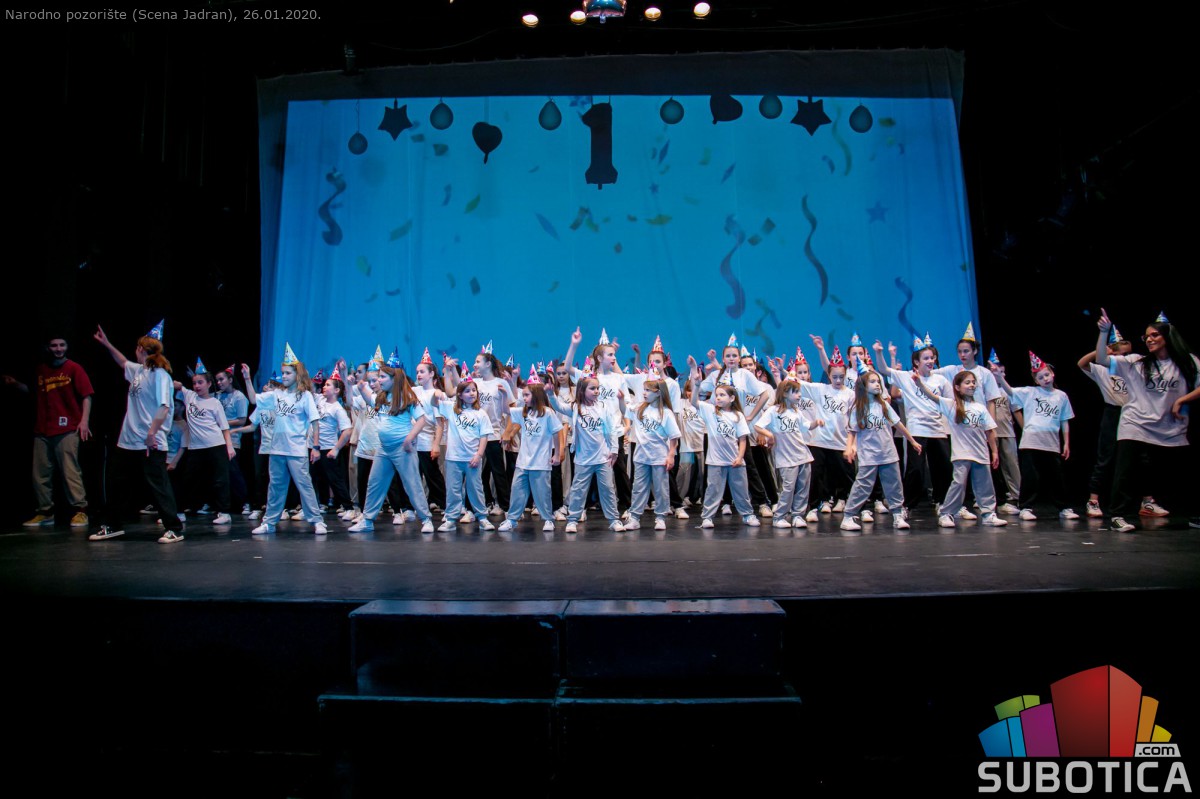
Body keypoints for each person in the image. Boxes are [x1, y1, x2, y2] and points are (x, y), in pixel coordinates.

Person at [1094, 310, 1200, 533]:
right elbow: (1102, 359)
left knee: (1185, 473)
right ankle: (1118, 516)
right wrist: (1104, 332)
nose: (1149, 339)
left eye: (1154, 335)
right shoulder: (1136, 362)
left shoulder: (1188, 362)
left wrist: (1182, 400)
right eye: (1146, 336)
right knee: (1126, 472)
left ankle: (1195, 515)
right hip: (1136, 424)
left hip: (1171, 427)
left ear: (1167, 337)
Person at [90, 320, 184, 543]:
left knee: (158, 485)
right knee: (117, 484)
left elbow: (164, 406)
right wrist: (107, 344)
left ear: (141, 349)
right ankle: (112, 525)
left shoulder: (160, 375)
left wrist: (151, 433)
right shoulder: (139, 371)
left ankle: (174, 528)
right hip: (128, 440)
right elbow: (123, 362)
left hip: (150, 440)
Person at [1076, 328, 1169, 519]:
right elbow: (1081, 363)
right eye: (1122, 354)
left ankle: (1147, 502)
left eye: (1129, 354)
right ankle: (1093, 501)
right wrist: (1102, 351)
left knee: (1142, 458)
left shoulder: (1136, 367)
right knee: (1106, 457)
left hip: (1136, 413)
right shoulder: (1104, 370)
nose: (1127, 357)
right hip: (1114, 413)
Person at [5, 335, 94, 529]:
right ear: (48, 347)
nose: (58, 348)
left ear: (67, 346)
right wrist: (15, 384)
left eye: (62, 345)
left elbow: (87, 395)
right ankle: (45, 512)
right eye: (54, 345)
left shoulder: (74, 368)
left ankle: (80, 510)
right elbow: (33, 392)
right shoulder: (41, 370)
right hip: (43, 429)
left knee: (70, 471)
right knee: (40, 474)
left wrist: (84, 421)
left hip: (67, 428)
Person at [348, 352, 435, 534]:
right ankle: (368, 520)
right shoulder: (382, 397)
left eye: (382, 377)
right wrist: (362, 387)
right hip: (383, 449)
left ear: (393, 379)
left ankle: (426, 519)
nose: (379, 380)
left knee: (412, 484)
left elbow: (421, 420)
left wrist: (409, 438)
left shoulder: (406, 397)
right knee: (375, 483)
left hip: (402, 448)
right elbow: (369, 400)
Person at [912, 370, 1008, 529]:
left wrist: (994, 451)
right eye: (967, 382)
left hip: (981, 453)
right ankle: (946, 513)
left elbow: (990, 431)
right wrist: (919, 384)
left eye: (973, 382)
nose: (972, 385)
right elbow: (932, 397)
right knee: (958, 485)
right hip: (962, 453)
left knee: (985, 485)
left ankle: (988, 514)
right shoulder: (952, 405)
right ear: (957, 387)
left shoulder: (980, 407)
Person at [250, 343, 327, 536]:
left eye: (287, 373)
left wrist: (316, 447)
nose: (284, 376)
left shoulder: (305, 396)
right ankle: (269, 522)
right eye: (283, 373)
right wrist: (246, 378)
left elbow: (315, 422)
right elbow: (253, 399)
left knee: (304, 485)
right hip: (277, 448)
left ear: (296, 375)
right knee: (275, 486)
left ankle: (317, 520)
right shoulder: (276, 394)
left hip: (296, 448)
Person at [992, 351, 1078, 521]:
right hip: (1031, 441)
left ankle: (1063, 507)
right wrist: (1000, 378)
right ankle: (1026, 507)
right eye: (1040, 377)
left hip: (1051, 443)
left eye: (1047, 375)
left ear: (1052, 374)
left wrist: (1066, 443)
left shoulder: (1061, 396)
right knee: (1030, 477)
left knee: (1056, 477)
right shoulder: (1030, 392)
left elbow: (1064, 420)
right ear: (1036, 381)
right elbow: (1010, 391)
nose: (1045, 379)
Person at [839, 367, 920, 532]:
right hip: (869, 454)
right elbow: (852, 431)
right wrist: (849, 448)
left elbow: (898, 424)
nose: (877, 384)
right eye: (873, 382)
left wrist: (912, 441)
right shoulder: (858, 409)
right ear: (863, 386)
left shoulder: (883, 405)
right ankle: (848, 516)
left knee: (894, 485)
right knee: (862, 486)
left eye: (878, 382)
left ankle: (897, 514)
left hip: (888, 452)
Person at [686, 356, 760, 530]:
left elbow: (742, 439)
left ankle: (747, 514)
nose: (718, 398)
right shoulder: (710, 411)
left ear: (732, 398)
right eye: (716, 395)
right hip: (715, 461)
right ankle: (707, 517)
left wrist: (740, 457)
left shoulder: (738, 416)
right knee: (713, 490)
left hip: (735, 461)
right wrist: (697, 383)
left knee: (741, 490)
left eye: (722, 395)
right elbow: (694, 402)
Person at [553, 370, 625, 533]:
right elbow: (558, 406)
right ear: (582, 390)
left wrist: (614, 450)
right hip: (583, 459)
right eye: (592, 388)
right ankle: (573, 520)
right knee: (578, 490)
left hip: (603, 458)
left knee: (608, 490)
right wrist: (551, 394)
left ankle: (614, 520)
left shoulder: (603, 407)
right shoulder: (576, 408)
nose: (597, 391)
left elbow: (611, 430)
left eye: (598, 388)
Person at [499, 367, 566, 534]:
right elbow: (506, 410)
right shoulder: (523, 413)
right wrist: (504, 395)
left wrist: (557, 453)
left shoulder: (548, 413)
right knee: (517, 492)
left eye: (527, 395)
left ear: (536, 395)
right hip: (523, 462)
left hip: (541, 462)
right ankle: (512, 519)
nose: (524, 398)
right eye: (523, 395)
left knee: (542, 493)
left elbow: (557, 432)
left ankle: (548, 519)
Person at [432, 369, 496, 533]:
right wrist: (436, 394)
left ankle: (482, 517)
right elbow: (434, 403)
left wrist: (479, 455)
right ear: (459, 395)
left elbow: (484, 437)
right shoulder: (451, 409)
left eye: (474, 390)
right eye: (467, 391)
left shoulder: (481, 414)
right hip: (453, 458)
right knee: (453, 490)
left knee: (476, 489)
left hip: (472, 459)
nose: (472, 393)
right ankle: (451, 519)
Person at [755, 376, 823, 530]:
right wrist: (770, 435)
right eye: (795, 392)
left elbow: (807, 426)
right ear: (785, 393)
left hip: (802, 455)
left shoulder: (796, 411)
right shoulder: (773, 411)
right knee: (788, 488)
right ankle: (779, 516)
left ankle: (798, 515)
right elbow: (758, 426)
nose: (799, 395)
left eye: (799, 392)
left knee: (803, 487)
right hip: (786, 458)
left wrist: (816, 422)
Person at [174, 360, 235, 526]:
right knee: (188, 480)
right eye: (194, 383)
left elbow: (224, 427)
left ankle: (224, 513)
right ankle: (179, 512)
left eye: (200, 382)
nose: (197, 386)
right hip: (196, 448)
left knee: (220, 480)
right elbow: (177, 385)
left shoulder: (215, 403)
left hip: (216, 445)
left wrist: (229, 446)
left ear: (209, 384)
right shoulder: (189, 396)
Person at [621, 370, 681, 532]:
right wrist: (620, 399)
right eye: (644, 390)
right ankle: (634, 517)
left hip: (659, 457)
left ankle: (660, 517)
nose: (644, 393)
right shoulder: (640, 408)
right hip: (641, 456)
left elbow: (674, 437)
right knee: (638, 488)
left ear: (658, 393)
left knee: (661, 488)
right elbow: (625, 410)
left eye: (648, 390)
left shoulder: (665, 413)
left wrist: (671, 455)